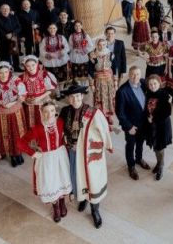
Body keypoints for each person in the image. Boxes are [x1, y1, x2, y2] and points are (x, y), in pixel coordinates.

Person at [59, 84, 113, 229]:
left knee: (93, 180)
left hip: (88, 155)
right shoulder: (64, 111)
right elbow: (60, 129)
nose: (75, 99)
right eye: (71, 96)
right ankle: (83, 199)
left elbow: (104, 130)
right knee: (77, 178)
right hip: (72, 153)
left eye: (77, 96)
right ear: (68, 99)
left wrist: (106, 145)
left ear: (82, 96)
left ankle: (95, 210)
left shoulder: (93, 112)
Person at [18, 101, 72, 223]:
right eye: (46, 111)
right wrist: (33, 153)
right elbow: (20, 142)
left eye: (52, 111)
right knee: (50, 182)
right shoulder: (37, 129)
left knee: (62, 178)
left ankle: (62, 202)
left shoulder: (60, 122)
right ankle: (56, 207)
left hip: (60, 156)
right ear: (41, 112)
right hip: (46, 160)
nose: (50, 114)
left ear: (55, 111)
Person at [0, 61, 27, 167]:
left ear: (9, 71)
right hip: (2, 113)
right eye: (1, 73)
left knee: (18, 131)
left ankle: (19, 152)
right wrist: (0, 102)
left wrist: (13, 103)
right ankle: (12, 155)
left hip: (16, 110)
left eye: (6, 72)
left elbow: (23, 96)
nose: (4, 74)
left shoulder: (16, 81)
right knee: (7, 134)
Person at [116, 66, 151, 180]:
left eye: (137, 74)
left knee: (140, 143)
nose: (135, 77)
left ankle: (139, 159)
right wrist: (128, 126)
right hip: (131, 125)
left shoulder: (143, 83)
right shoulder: (122, 91)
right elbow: (120, 113)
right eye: (133, 74)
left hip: (143, 123)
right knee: (130, 145)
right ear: (129, 75)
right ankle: (131, 166)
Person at [142, 75, 172, 180]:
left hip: (161, 126)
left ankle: (161, 166)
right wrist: (148, 117)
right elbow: (145, 109)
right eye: (150, 84)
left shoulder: (164, 95)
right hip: (151, 126)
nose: (153, 86)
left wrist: (153, 119)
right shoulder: (147, 94)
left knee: (160, 148)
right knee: (155, 147)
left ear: (159, 83)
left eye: (155, 83)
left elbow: (167, 112)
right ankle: (159, 164)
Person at [19, 55, 57, 129]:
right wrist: (26, 98)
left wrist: (39, 98)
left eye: (33, 65)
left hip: (43, 100)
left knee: (45, 119)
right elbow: (21, 92)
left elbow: (50, 89)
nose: (31, 68)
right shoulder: (22, 77)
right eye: (28, 66)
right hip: (29, 103)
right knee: (31, 122)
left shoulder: (43, 74)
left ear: (37, 64)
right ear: (25, 66)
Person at [88, 38, 118, 126]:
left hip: (109, 81)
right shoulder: (93, 55)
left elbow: (115, 68)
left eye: (104, 45)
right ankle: (101, 115)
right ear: (97, 45)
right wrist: (91, 84)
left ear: (106, 45)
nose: (102, 47)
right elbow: (90, 70)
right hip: (98, 81)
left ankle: (109, 116)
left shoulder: (110, 54)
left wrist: (116, 82)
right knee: (99, 98)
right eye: (100, 45)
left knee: (109, 97)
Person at [39, 23, 70, 96]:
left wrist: (62, 52)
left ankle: (62, 91)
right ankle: (57, 93)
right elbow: (41, 50)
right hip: (50, 62)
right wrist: (47, 54)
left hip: (61, 60)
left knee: (62, 78)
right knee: (53, 78)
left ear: (56, 29)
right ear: (48, 30)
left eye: (54, 28)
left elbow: (67, 47)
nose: (52, 30)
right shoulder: (45, 39)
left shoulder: (61, 37)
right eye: (50, 28)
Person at [0, 4, 22, 70]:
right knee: (5, 55)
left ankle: (16, 67)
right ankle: (6, 68)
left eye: (7, 8)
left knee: (15, 53)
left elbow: (19, 27)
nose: (5, 10)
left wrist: (12, 34)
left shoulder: (14, 17)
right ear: (0, 10)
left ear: (9, 10)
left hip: (13, 38)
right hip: (3, 39)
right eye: (3, 9)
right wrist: (6, 35)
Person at [69, 21, 94, 86]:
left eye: (79, 25)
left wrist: (84, 51)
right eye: (76, 26)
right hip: (75, 56)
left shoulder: (85, 35)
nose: (77, 27)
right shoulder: (72, 36)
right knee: (76, 72)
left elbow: (91, 45)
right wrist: (74, 50)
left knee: (84, 72)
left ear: (81, 26)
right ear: (74, 27)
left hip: (83, 56)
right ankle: (79, 86)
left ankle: (84, 86)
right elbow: (70, 46)